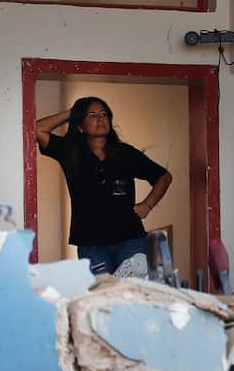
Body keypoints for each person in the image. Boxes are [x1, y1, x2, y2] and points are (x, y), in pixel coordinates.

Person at [35, 96, 172, 276]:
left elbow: (164, 176)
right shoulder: (70, 152)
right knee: (103, 294)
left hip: (130, 238)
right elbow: (37, 129)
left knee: (132, 293)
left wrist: (148, 205)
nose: (100, 118)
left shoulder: (125, 153)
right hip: (91, 243)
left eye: (103, 114)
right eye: (91, 115)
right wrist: (73, 112)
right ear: (80, 126)